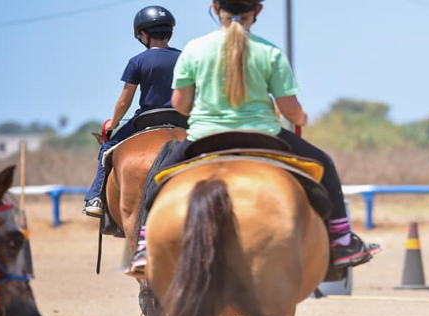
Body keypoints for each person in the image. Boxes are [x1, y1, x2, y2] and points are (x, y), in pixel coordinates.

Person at [126, 0, 377, 276]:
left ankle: (145, 245)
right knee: (325, 164)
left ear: (214, 7)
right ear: (257, 11)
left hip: (204, 137)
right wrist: (301, 118)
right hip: (263, 136)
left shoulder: (195, 49)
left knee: (158, 178)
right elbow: (291, 110)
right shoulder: (269, 52)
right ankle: (342, 242)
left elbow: (181, 105)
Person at [82, 6, 181, 217]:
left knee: (107, 148)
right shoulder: (185, 58)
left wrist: (114, 123)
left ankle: (96, 197)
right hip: (182, 118)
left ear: (143, 35)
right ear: (170, 33)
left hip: (147, 119)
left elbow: (125, 100)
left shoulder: (137, 61)